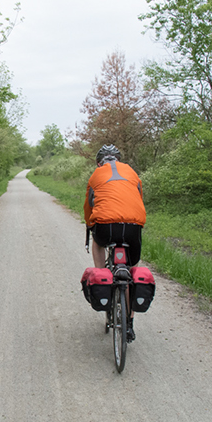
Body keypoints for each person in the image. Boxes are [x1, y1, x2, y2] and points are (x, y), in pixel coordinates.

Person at [83, 144, 146, 341]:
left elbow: (89, 206)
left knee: (98, 242)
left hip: (105, 228)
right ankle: (130, 323)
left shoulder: (96, 175)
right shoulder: (132, 172)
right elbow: (139, 199)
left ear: (99, 162)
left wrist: (89, 225)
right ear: (118, 159)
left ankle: (102, 275)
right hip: (133, 228)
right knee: (132, 272)